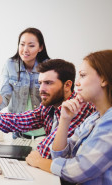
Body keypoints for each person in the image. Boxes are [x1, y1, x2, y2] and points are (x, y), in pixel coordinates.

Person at [0, 59, 96, 160]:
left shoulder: (79, 107)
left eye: (48, 83)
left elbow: (47, 152)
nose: (41, 89)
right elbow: (21, 120)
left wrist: (35, 156)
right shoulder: (49, 106)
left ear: (67, 85)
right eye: (40, 83)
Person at [49, 50, 112, 184]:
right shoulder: (94, 118)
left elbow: (78, 171)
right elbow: (60, 155)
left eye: (83, 76)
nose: (77, 83)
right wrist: (65, 120)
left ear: (104, 79)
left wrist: (41, 163)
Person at [0, 28, 50, 138]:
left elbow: (54, 102)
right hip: (19, 133)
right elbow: (3, 103)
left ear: (40, 48)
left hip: (44, 133)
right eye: (22, 44)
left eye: (31, 45)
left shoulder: (48, 67)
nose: (25, 49)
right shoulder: (10, 65)